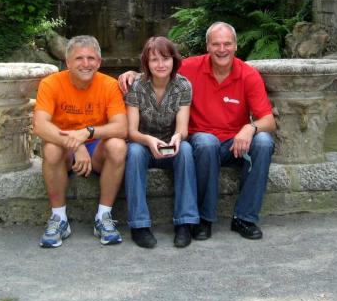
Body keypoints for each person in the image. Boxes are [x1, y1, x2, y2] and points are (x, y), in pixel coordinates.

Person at [120, 22, 275, 240]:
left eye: (227, 44)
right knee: (205, 142)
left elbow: (269, 120)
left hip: (235, 143)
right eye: (216, 44)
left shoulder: (248, 75)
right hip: (202, 142)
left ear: (235, 46)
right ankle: (203, 219)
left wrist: (250, 127)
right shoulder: (191, 67)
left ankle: (245, 218)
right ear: (207, 46)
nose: (222, 49)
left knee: (264, 142)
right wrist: (132, 74)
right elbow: (160, 69)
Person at [33, 35, 128, 247]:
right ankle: (59, 218)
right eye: (79, 58)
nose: (86, 64)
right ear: (68, 62)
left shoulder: (110, 85)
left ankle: (103, 217)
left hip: (96, 149)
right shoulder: (50, 83)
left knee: (117, 146)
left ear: (99, 62)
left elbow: (121, 128)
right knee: (51, 150)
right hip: (64, 147)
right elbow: (40, 125)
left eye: (91, 58)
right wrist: (76, 144)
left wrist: (87, 133)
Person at [124, 36, 198, 249]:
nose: (160, 64)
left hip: (170, 144)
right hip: (143, 144)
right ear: (146, 63)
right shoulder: (136, 86)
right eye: (154, 59)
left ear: (174, 60)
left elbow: (182, 129)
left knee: (186, 150)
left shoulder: (183, 85)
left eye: (165, 58)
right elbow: (132, 132)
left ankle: (184, 223)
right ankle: (139, 225)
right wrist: (148, 141)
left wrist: (177, 138)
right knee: (134, 152)